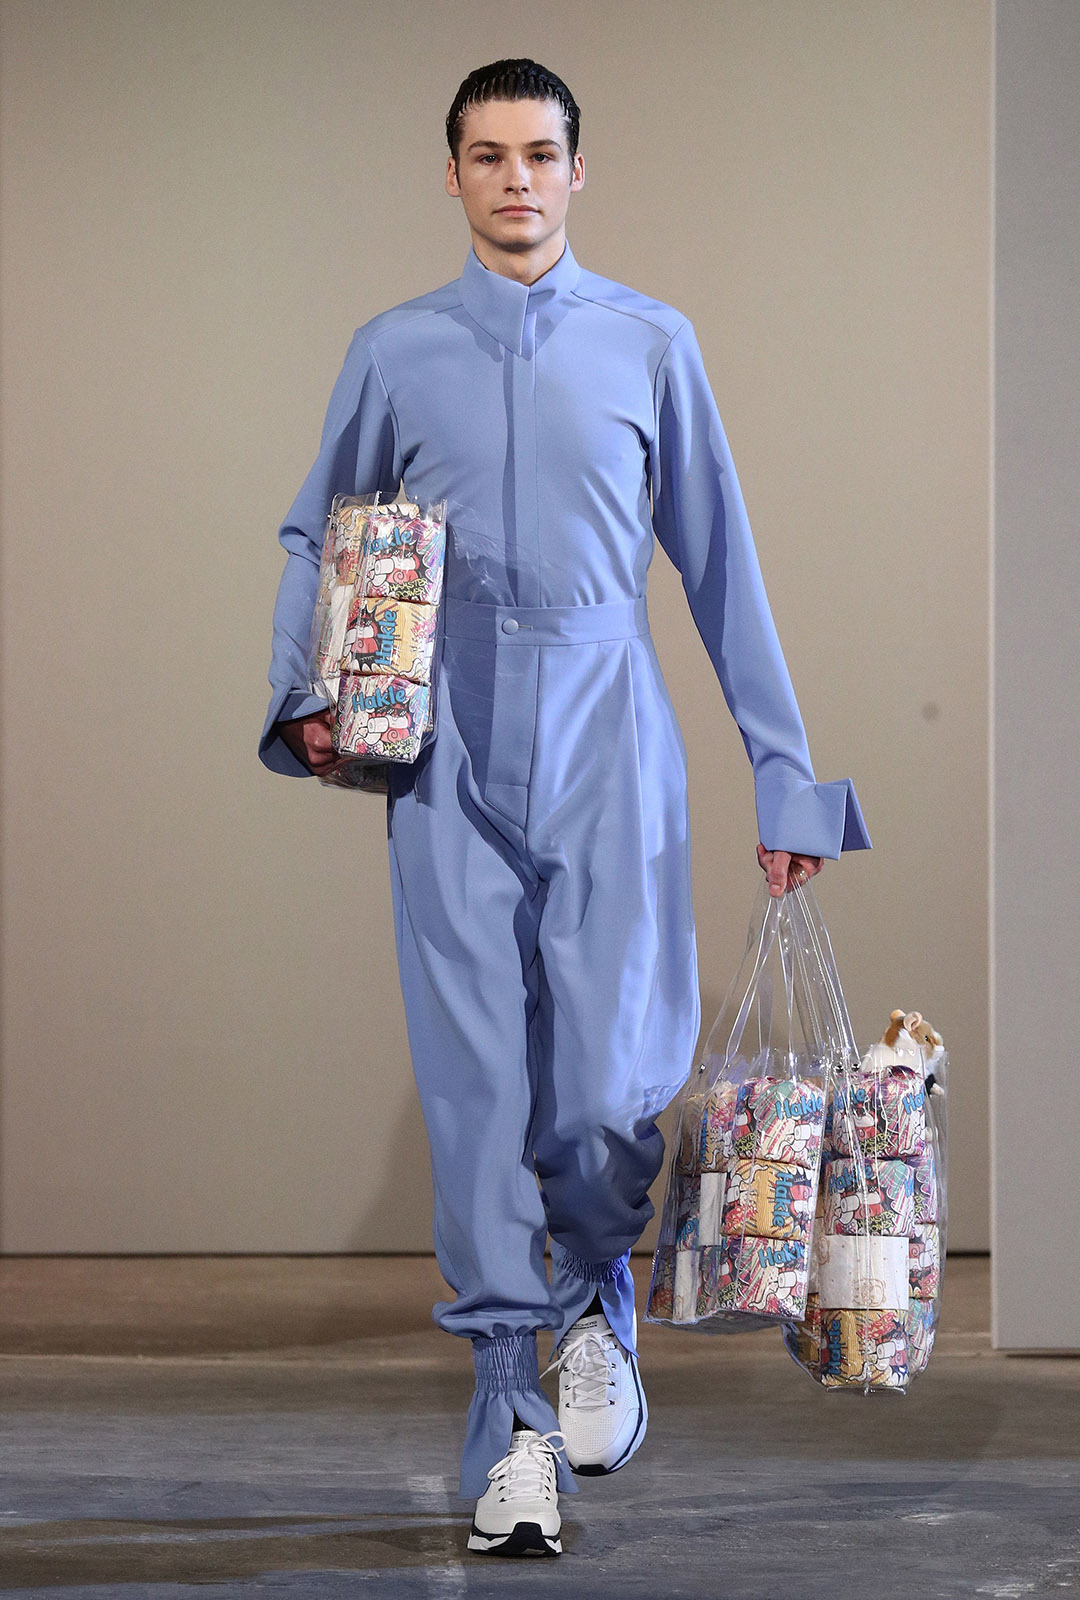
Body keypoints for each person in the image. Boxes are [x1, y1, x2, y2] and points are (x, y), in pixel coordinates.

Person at [259, 58, 870, 1559]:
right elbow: (320, 531)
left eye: (540, 154)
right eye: (488, 156)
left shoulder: (651, 342)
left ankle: (597, 1298)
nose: (516, 179)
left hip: (610, 730)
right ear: (453, 176)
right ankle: (506, 1421)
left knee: (604, 1087)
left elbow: (721, 565)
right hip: (446, 741)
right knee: (476, 1088)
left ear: (578, 172)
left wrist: (784, 774)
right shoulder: (395, 352)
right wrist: (311, 689)